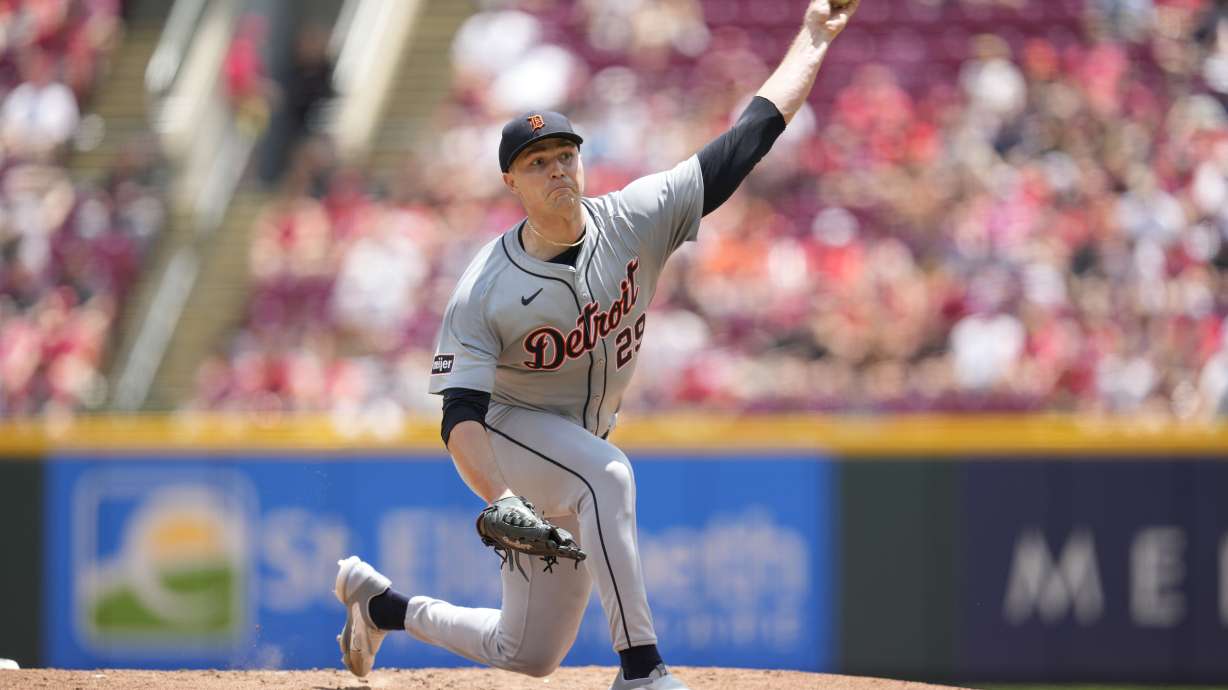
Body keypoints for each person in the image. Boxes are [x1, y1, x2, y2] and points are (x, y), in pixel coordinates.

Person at [334, 2, 860, 689]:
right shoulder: (485, 288)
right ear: (511, 183)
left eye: (564, 154)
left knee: (527, 652)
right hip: (511, 434)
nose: (555, 169)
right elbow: (458, 415)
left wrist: (814, 39)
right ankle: (642, 671)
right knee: (607, 475)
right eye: (536, 162)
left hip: (575, 445)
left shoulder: (636, 218)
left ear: (582, 161)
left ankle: (382, 606)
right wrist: (499, 499)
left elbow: (751, 134)